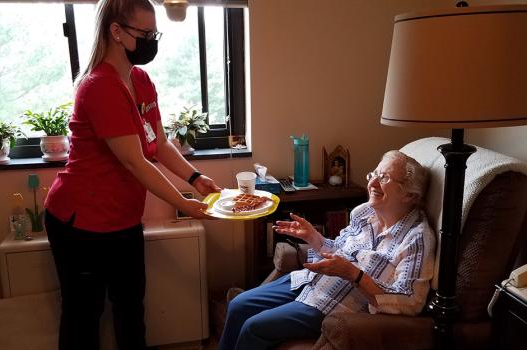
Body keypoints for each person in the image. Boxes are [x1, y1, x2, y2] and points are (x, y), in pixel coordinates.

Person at [44, 1, 220, 349]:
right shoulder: (99, 87)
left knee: (130, 311)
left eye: (155, 34)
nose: (151, 41)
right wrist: (186, 204)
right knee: (83, 317)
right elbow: (136, 163)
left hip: (122, 221)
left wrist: (197, 179)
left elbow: (160, 144)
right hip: (80, 224)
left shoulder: (140, 80)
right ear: (116, 32)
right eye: (145, 34)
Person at [219, 150, 435, 350]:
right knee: (238, 305)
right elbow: (338, 250)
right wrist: (314, 237)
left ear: (409, 195)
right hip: (310, 280)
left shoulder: (416, 238)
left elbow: (410, 301)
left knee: (253, 327)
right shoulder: (364, 213)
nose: (373, 183)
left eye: (385, 178)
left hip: (335, 304)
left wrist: (353, 274)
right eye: (374, 174)